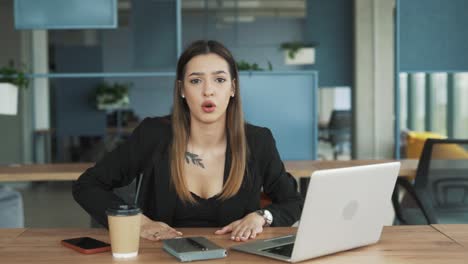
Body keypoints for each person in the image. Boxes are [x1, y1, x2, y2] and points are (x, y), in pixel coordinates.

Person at [72, 40, 303, 242]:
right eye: (195, 81)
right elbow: (87, 186)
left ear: (233, 88)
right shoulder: (154, 135)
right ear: (182, 89)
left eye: (219, 80)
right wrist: (138, 222)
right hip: (161, 258)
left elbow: (292, 201)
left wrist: (261, 217)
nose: (208, 91)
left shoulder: (258, 141)